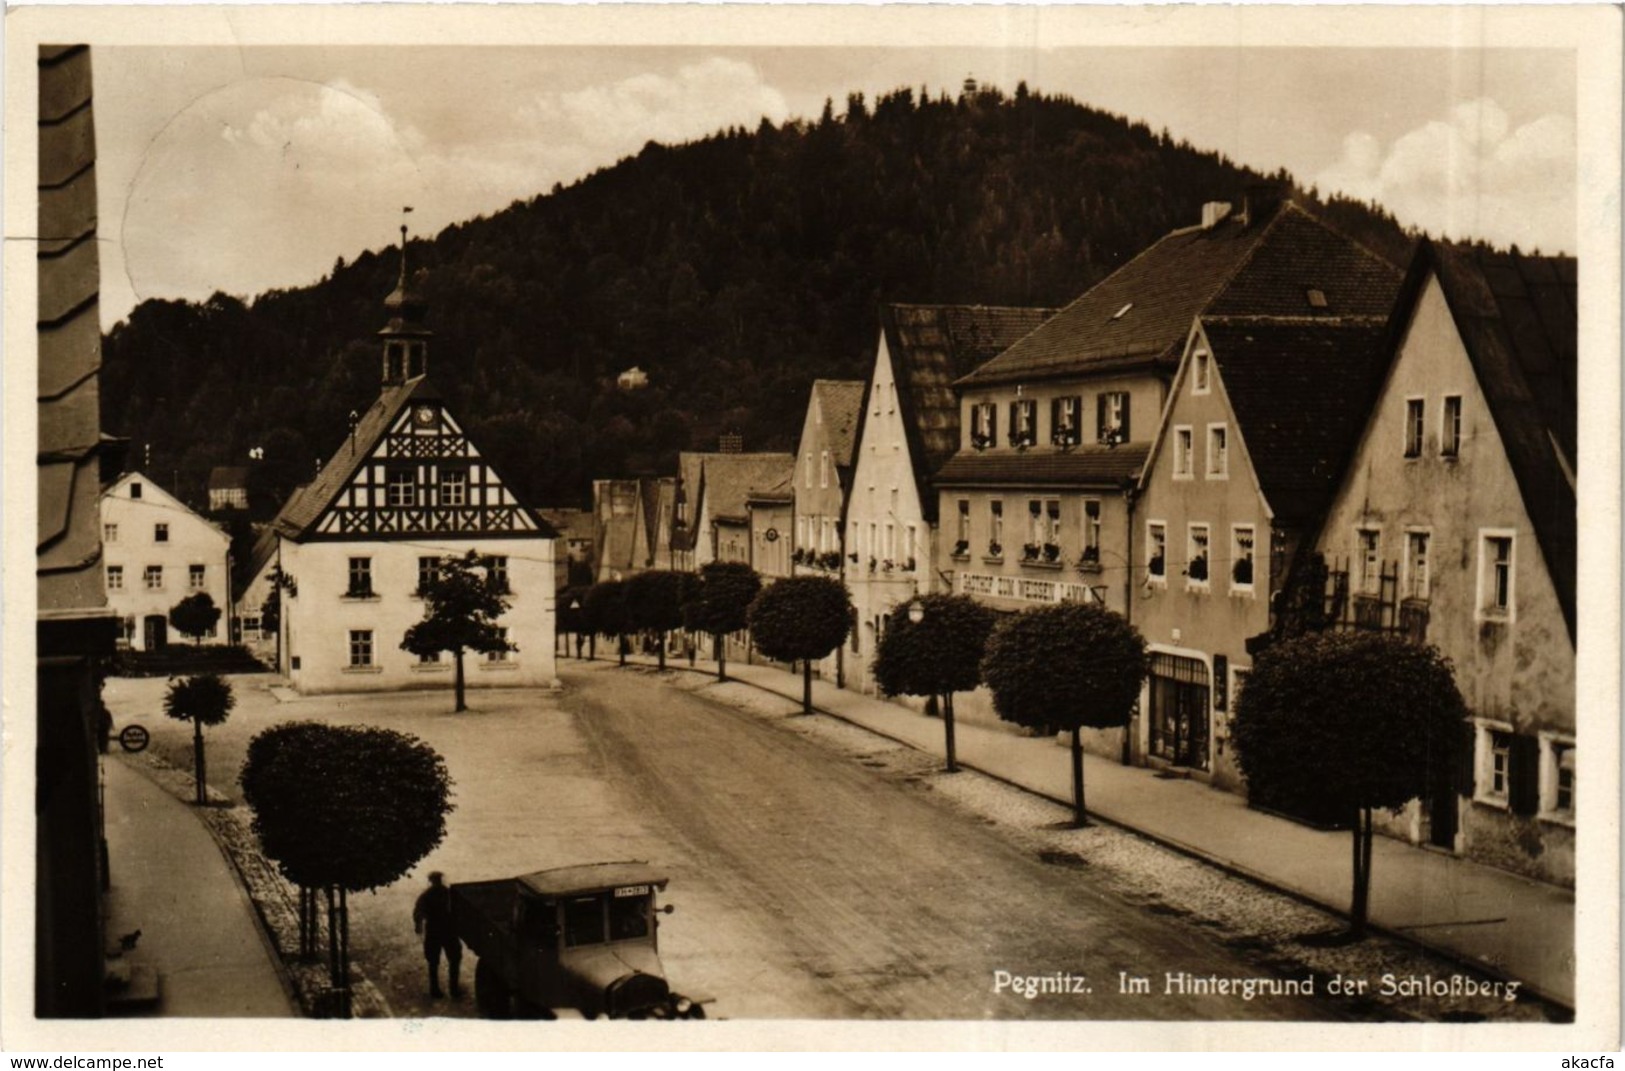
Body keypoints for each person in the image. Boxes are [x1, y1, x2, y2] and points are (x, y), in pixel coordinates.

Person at [413, 871, 462, 998]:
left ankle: (435, 990)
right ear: (440, 880)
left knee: (433, 962)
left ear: (431, 881)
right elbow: (458, 911)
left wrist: (418, 926)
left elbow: (418, 912)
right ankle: (454, 989)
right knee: (454, 960)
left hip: (434, 931)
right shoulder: (448, 893)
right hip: (448, 930)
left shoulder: (426, 895)